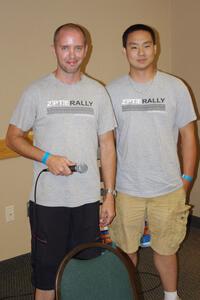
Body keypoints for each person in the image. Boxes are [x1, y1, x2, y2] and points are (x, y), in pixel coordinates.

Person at [6, 23, 116, 300]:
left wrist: (110, 195)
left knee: (86, 271)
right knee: (47, 275)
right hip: (48, 203)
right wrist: (47, 158)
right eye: (65, 47)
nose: (71, 54)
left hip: (88, 200)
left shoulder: (97, 92)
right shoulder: (36, 91)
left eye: (78, 47)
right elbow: (13, 138)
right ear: (54, 49)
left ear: (86, 50)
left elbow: (107, 145)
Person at [106, 24, 197, 300]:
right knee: (125, 251)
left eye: (147, 45)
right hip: (127, 188)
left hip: (168, 188)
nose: (141, 52)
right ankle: (126, 295)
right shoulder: (111, 91)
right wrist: (108, 190)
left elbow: (189, 137)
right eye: (134, 46)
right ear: (125, 51)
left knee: (167, 249)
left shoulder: (175, 87)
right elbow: (106, 143)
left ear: (155, 48)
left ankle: (172, 296)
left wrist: (186, 181)